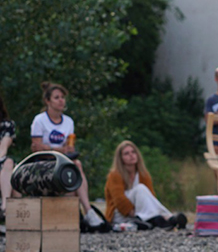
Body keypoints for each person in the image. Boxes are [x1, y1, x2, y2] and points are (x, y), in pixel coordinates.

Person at [30, 82, 104, 228]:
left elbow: (69, 148)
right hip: (44, 162)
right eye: (57, 97)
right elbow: (36, 149)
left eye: (62, 97)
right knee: (73, 169)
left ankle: (85, 212)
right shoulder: (39, 120)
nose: (61, 100)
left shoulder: (69, 121)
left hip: (62, 161)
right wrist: (58, 149)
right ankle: (86, 212)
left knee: (76, 166)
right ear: (48, 101)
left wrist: (53, 148)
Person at [104, 140, 187, 230]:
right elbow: (119, 200)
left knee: (143, 191)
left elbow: (150, 197)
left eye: (133, 152)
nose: (131, 155)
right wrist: (135, 213)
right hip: (121, 213)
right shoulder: (115, 175)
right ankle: (167, 218)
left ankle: (167, 219)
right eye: (126, 154)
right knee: (140, 188)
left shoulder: (143, 174)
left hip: (141, 213)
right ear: (120, 158)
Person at [0, 91, 16, 217]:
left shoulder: (7, 125)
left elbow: (3, 148)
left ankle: (5, 207)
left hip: (1, 160)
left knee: (9, 162)